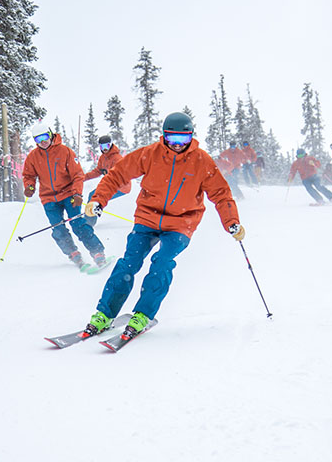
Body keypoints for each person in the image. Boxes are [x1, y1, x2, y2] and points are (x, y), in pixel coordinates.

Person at [81, 111, 243, 340]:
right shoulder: (150, 154)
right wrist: (98, 199)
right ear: (164, 136)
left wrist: (232, 221)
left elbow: (221, 194)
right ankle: (104, 314)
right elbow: (116, 175)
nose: (177, 145)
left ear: (191, 137)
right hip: (147, 218)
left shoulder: (201, 161)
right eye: (172, 139)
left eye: (183, 139)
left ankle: (143, 314)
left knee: (162, 262)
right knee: (129, 262)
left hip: (181, 223)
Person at [22, 123, 107, 268]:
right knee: (58, 228)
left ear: (50, 135)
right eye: (38, 139)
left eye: (45, 137)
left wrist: (77, 193)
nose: (43, 141)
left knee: (77, 224)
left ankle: (97, 252)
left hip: (69, 194)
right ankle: (73, 254)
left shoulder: (64, 151)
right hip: (48, 198)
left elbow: (78, 175)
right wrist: (29, 186)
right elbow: (28, 175)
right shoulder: (33, 157)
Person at [83, 134, 131, 226]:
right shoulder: (103, 157)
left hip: (122, 186)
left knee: (94, 196)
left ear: (111, 145)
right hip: (112, 184)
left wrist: (108, 175)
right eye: (102, 146)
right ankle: (89, 217)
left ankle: (88, 223)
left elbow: (120, 176)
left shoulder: (117, 158)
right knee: (92, 195)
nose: (105, 149)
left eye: (107, 146)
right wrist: (82, 178)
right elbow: (98, 171)